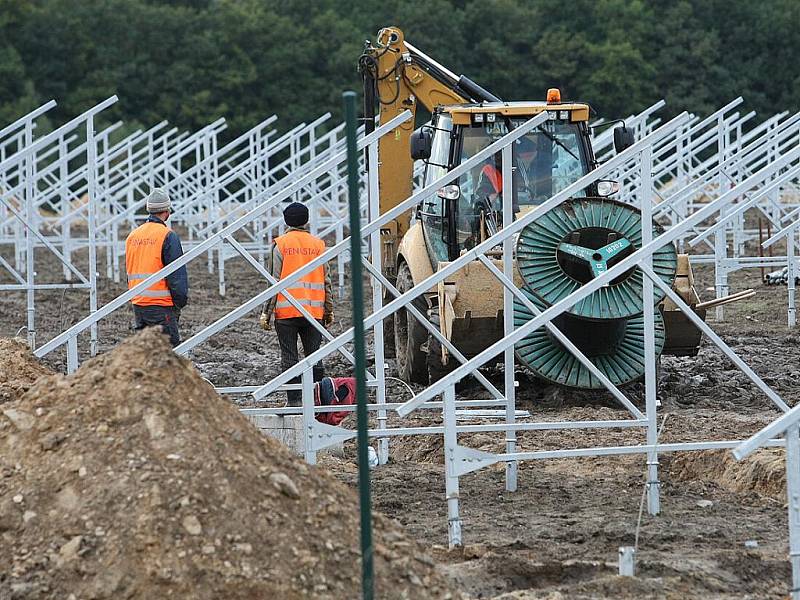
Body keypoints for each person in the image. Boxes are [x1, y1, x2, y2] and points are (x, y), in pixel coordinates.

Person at [259, 202, 333, 406]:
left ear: (286, 221)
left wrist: (266, 312)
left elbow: (273, 281)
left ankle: (293, 401)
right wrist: (329, 309)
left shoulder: (280, 245)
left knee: (289, 356)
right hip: (313, 311)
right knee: (315, 356)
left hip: (286, 312)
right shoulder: (318, 244)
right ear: (306, 220)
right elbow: (327, 279)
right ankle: (319, 402)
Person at [125, 188, 188, 346]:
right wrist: (180, 301)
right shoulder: (167, 235)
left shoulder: (133, 235)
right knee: (168, 351)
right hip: (161, 304)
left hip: (138, 303)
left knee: (145, 351)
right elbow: (177, 275)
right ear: (167, 211)